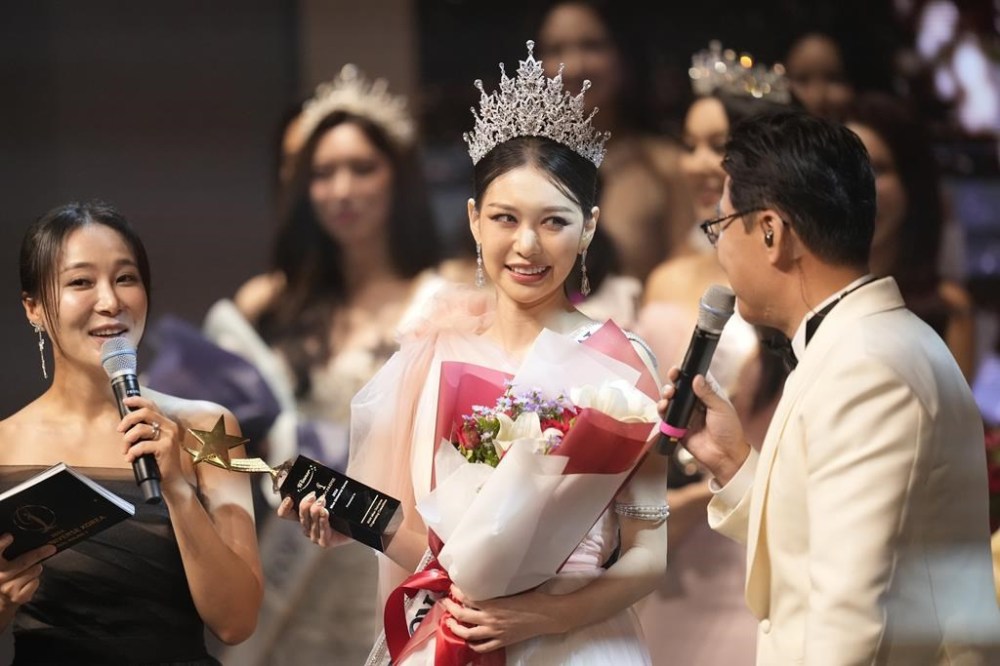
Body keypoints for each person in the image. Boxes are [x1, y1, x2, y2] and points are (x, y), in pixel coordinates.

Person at [284, 41, 668, 664]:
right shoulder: (434, 354)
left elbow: (649, 555)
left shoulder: (623, 363)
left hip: (578, 645)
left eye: (553, 221)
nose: (527, 246)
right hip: (456, 640)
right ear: (472, 220)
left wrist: (539, 615)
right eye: (504, 218)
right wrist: (353, 521)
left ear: (590, 227)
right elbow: (433, 553)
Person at [663, 110, 1000, 662]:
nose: (719, 251)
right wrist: (732, 464)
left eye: (721, 228)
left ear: (771, 232)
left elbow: (851, 613)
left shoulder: (870, 368)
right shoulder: (856, 346)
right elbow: (813, 545)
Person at [147, 65, 446, 664]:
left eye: (363, 167)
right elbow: (215, 443)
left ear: (399, 177)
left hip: (385, 558)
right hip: (287, 547)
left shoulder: (442, 298)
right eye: (322, 172)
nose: (342, 189)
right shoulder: (267, 301)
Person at [0, 201, 262, 663]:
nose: (111, 301)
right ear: (33, 307)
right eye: (81, 282)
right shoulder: (6, 443)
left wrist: (179, 490)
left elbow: (237, 620)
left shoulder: (211, 428)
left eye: (126, 278)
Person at [634, 44, 791, 666]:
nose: (700, 164)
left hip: (748, 532)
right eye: (690, 144)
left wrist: (718, 483)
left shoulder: (782, 282)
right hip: (663, 540)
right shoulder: (666, 276)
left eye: (718, 144)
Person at [534, 0, 694, 285]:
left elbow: (688, 280)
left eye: (591, 46)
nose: (572, 67)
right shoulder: (521, 166)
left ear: (624, 55)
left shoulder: (667, 166)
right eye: (555, 50)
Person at [843, 91, 976, 380]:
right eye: (846, 171)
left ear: (911, 184)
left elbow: (956, 422)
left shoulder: (947, 308)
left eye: (877, 169)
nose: (859, 189)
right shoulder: (805, 296)